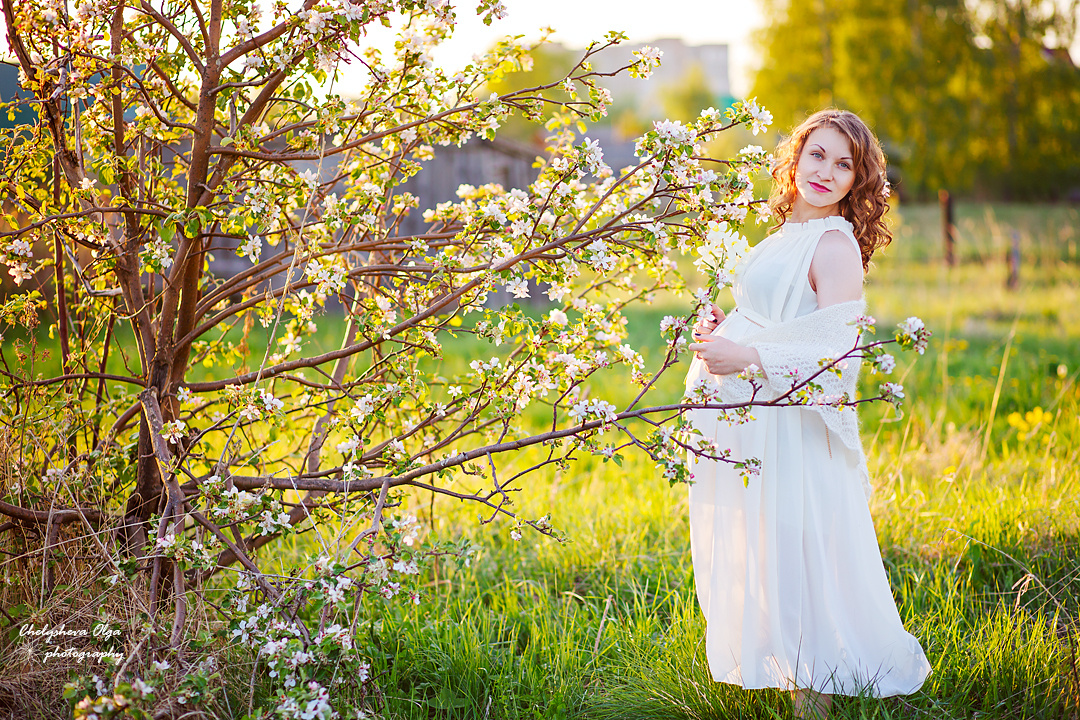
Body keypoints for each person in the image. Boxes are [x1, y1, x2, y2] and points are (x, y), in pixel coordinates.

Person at [684, 109, 931, 718]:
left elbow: (836, 348)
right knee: (768, 544)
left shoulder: (832, 243)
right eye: (817, 154)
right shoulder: (784, 236)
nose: (826, 172)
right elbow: (771, 314)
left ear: (858, 182)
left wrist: (746, 353)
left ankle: (814, 702)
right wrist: (722, 327)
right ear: (794, 159)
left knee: (800, 547)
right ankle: (795, 678)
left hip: (793, 421)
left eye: (844, 164)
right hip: (760, 414)